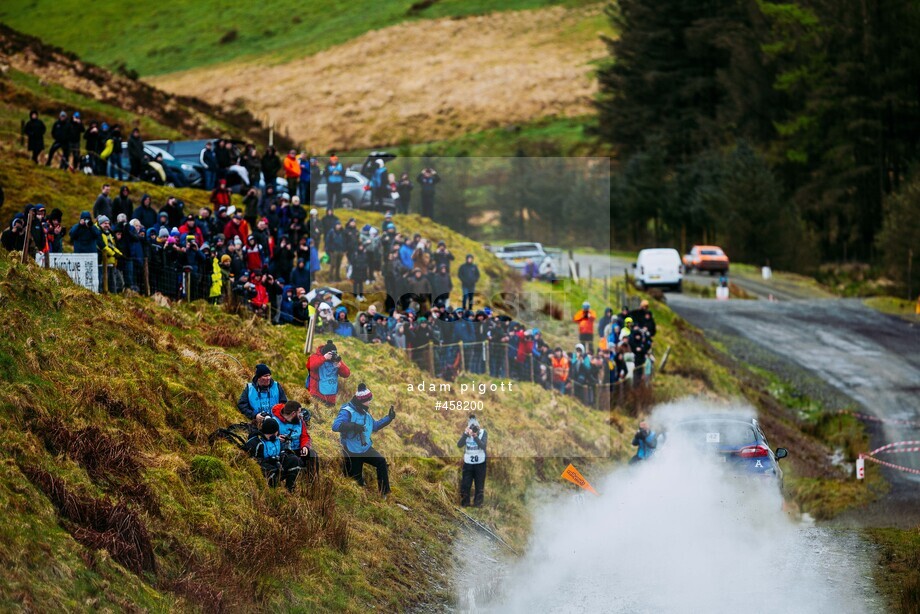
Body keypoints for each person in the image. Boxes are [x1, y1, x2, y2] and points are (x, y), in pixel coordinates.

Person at [332, 383, 396, 496]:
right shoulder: (347, 411)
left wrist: (389, 418)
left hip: (365, 448)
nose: (370, 401)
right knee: (357, 483)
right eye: (369, 399)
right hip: (352, 452)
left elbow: (375, 426)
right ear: (362, 400)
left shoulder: (364, 411)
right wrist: (354, 426)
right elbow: (335, 426)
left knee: (381, 461)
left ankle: (385, 493)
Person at [244, 417, 300, 490]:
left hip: (277, 466)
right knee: (271, 471)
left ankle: (290, 488)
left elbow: (282, 451)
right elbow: (252, 460)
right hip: (266, 470)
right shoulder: (256, 442)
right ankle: (273, 491)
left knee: (294, 459)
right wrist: (270, 460)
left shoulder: (277, 439)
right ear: (275, 432)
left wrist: (282, 454)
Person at [272, 400, 319, 486]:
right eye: (299, 412)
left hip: (298, 449)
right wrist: (277, 439)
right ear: (293, 413)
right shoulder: (275, 421)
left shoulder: (300, 421)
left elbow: (305, 436)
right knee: (294, 460)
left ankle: (312, 484)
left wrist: (305, 447)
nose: (301, 415)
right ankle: (290, 488)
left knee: (312, 455)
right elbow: (268, 438)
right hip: (283, 452)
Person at [307, 340, 352, 406]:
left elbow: (347, 374)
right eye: (330, 354)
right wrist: (324, 358)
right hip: (316, 395)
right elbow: (310, 366)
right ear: (325, 353)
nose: (332, 356)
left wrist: (340, 366)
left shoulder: (336, 360)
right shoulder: (316, 357)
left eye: (334, 354)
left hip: (330, 398)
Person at [457, 415, 487, 507]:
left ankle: (478, 504)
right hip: (468, 463)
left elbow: (483, 446)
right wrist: (465, 434)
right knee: (466, 484)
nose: (473, 429)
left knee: (479, 485)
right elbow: (459, 445)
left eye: (475, 427)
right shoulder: (466, 434)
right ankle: (465, 503)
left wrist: (475, 436)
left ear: (478, 426)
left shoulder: (482, 432)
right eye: (471, 427)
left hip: (480, 463)